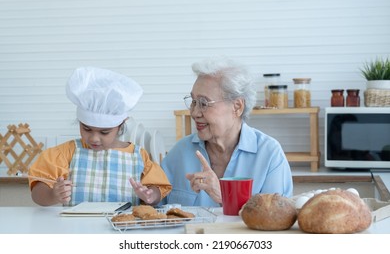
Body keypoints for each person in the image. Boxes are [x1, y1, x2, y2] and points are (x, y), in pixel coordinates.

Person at [28, 67, 172, 206]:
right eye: (87, 129)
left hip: (123, 229)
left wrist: (150, 195)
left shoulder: (138, 155)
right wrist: (53, 195)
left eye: (104, 132)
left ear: (120, 126)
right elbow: (38, 191)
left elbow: (157, 190)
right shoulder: (66, 153)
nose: (94, 138)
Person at [161, 56, 293, 207]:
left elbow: (276, 219)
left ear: (237, 106)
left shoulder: (269, 154)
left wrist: (225, 197)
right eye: (193, 102)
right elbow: (156, 211)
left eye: (204, 103)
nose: (195, 112)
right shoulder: (179, 153)